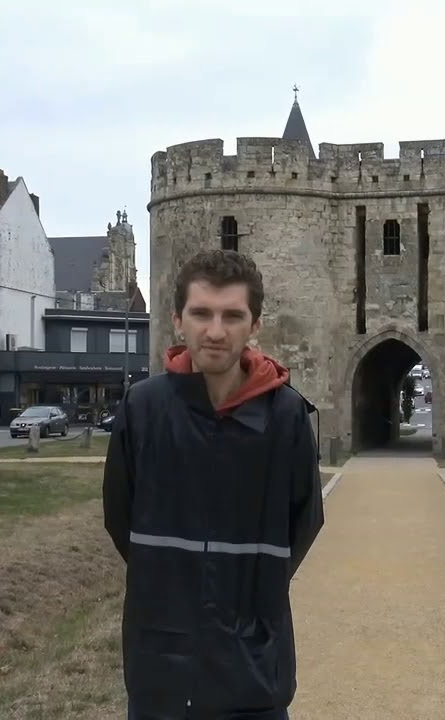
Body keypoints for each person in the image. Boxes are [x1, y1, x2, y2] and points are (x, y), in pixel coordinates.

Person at [102, 248, 325, 720]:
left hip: (254, 668)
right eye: (201, 313)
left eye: (232, 316)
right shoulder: (143, 409)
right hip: (160, 665)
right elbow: (120, 516)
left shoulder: (285, 416)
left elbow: (303, 520)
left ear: (255, 325)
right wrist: (170, 582)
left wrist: (251, 590)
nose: (216, 331)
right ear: (178, 320)